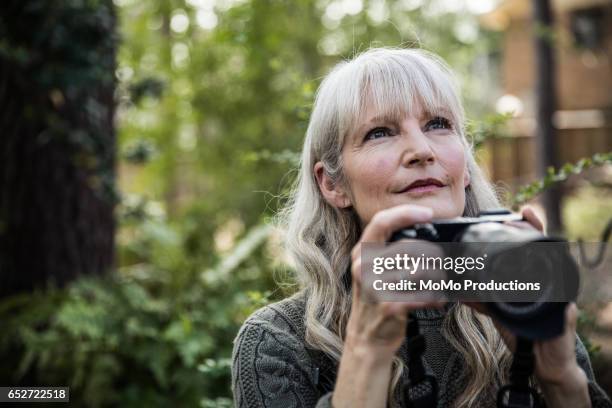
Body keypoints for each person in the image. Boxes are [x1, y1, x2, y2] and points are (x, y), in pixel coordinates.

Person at [230, 47, 612, 407]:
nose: (422, 150)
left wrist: (560, 378)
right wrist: (367, 352)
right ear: (332, 184)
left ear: (464, 167)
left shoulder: (523, 301)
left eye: (438, 124)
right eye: (379, 132)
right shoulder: (278, 342)